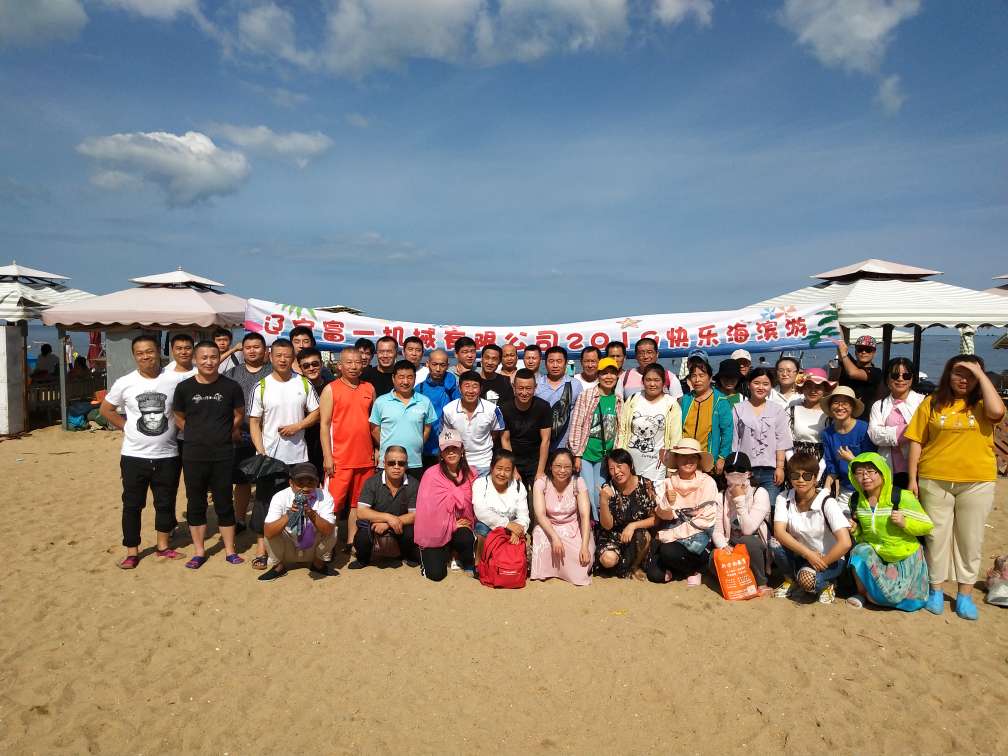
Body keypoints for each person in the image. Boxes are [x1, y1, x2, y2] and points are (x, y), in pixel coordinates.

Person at [905, 354, 1005, 620]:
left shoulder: (983, 403)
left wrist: (980, 374)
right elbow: (916, 440)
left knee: (970, 540)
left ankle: (964, 595)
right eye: (959, 373)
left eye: (971, 375)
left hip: (977, 481)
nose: (964, 379)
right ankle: (936, 590)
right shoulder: (932, 402)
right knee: (936, 538)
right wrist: (913, 478)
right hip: (934, 479)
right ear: (948, 375)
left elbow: (998, 412)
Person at [101, 334, 185, 568]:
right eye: (140, 353)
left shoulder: (174, 380)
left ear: (158, 352)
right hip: (134, 456)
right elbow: (106, 409)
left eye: (149, 351)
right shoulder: (125, 382)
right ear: (134, 356)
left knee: (165, 503)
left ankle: (163, 546)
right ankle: (132, 551)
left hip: (167, 455)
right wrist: (126, 427)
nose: (145, 356)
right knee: (132, 505)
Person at [248, 338, 321, 570]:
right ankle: (261, 549)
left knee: (300, 502)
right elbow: (254, 422)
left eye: (287, 356)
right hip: (270, 458)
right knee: (265, 503)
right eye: (278, 355)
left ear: (293, 358)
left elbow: (316, 412)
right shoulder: (261, 386)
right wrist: (261, 452)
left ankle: (298, 546)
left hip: (299, 457)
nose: (282, 360)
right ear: (270, 357)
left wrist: (297, 426)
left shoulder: (303, 383)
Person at [172, 341, 246, 569]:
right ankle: (199, 551)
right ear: (195, 359)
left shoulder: (231, 386)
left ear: (218, 359)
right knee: (196, 502)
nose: (209, 361)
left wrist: (224, 432)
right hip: (193, 453)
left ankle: (230, 550)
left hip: (223, 453)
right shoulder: (184, 387)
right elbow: (178, 417)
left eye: (213, 357)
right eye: (203, 357)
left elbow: (239, 414)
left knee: (224, 501)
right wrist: (195, 434)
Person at [846, 453, 934, 611]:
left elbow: (927, 525)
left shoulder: (901, 497)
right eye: (859, 473)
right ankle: (862, 594)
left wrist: (905, 523)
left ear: (882, 472)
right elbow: (865, 535)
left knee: (898, 598)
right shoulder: (856, 501)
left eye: (870, 471)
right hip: (878, 554)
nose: (865, 477)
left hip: (904, 555)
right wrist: (856, 530)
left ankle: (876, 597)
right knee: (858, 551)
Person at [771, 451, 852, 604]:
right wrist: (808, 554)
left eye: (807, 476)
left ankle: (828, 584)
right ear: (790, 478)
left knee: (807, 581)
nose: (801, 480)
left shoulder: (827, 502)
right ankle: (791, 580)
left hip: (829, 558)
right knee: (775, 542)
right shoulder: (784, 497)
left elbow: (845, 543)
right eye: (795, 476)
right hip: (803, 554)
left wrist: (820, 562)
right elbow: (779, 532)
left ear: (815, 478)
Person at [319, 347, 376, 552]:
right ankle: (328, 544)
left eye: (357, 362)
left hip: (365, 458)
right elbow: (324, 425)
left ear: (363, 365)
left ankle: (352, 541)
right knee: (331, 505)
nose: (353, 366)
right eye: (348, 362)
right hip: (339, 458)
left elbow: (374, 423)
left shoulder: (369, 388)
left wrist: (377, 448)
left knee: (358, 504)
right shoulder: (330, 389)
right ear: (339, 366)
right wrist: (327, 456)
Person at [648, 439, 718, 585]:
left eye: (693, 457)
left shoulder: (708, 483)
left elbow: (705, 521)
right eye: (683, 456)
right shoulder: (667, 482)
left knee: (667, 551)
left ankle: (694, 570)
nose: (688, 461)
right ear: (676, 459)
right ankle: (679, 570)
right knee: (654, 575)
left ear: (698, 460)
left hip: (696, 541)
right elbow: (663, 515)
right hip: (670, 536)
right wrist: (667, 502)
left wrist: (670, 535)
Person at [222, 333, 272, 532]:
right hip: (240, 435)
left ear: (265, 350)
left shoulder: (274, 371)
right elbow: (225, 404)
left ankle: (268, 520)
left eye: (256, 347)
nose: (252, 351)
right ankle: (240, 519)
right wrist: (232, 428)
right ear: (242, 350)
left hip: (268, 434)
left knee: (267, 480)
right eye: (248, 347)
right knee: (242, 480)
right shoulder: (232, 373)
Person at [414, 428, 477, 580]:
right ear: (441, 454)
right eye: (446, 449)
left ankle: (457, 552)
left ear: (462, 450)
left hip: (462, 526)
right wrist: (452, 524)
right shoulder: (431, 475)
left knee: (465, 538)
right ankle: (444, 552)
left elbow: (477, 504)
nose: (451, 452)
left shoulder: (471, 474)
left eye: (455, 448)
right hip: (436, 530)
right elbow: (427, 513)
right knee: (436, 575)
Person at [259, 463, 338, 580]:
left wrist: (310, 512)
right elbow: (268, 532)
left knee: (333, 529)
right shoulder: (280, 497)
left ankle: (318, 563)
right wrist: (289, 514)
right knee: (271, 528)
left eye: (310, 483)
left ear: (317, 482)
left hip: (312, 548)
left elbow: (328, 531)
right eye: (300, 483)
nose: (305, 488)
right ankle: (278, 566)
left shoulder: (325, 496)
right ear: (291, 483)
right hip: (288, 547)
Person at [568, 357, 622, 520]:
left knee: (600, 493)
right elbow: (576, 424)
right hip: (586, 453)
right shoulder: (587, 396)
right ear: (598, 375)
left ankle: (600, 525)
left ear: (617, 375)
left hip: (605, 455)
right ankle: (590, 524)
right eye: (604, 373)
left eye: (612, 373)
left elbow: (620, 429)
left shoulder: (619, 399)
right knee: (587, 491)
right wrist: (576, 454)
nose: (608, 377)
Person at [530, 449, 594, 585]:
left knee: (582, 560)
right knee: (539, 533)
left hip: (572, 527)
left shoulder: (578, 482)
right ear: (550, 466)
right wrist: (555, 538)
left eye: (567, 467)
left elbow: (585, 516)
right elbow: (540, 515)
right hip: (549, 527)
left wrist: (584, 546)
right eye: (558, 466)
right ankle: (547, 571)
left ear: (573, 467)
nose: (562, 470)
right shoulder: (541, 483)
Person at [711, 452, 772, 595]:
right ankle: (741, 578)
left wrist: (739, 499)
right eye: (730, 469)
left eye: (740, 469)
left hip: (756, 548)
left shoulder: (760, 493)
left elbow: (748, 529)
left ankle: (761, 583)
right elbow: (717, 530)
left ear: (749, 473)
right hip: (731, 546)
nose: (735, 473)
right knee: (713, 557)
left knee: (747, 540)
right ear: (725, 473)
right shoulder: (721, 496)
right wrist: (723, 546)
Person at [349, 446, 419, 569]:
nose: (396, 467)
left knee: (412, 531)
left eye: (401, 463)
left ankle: (406, 556)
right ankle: (363, 559)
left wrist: (390, 523)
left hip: (399, 526)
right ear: (384, 464)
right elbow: (361, 512)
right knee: (362, 534)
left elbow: (415, 515)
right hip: (376, 526)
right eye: (391, 463)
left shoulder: (414, 484)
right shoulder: (371, 482)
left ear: (406, 465)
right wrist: (388, 518)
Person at [732, 367, 792, 506]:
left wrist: (780, 468)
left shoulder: (777, 410)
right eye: (756, 383)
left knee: (769, 508)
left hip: (770, 473)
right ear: (749, 384)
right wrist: (735, 470)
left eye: (766, 384)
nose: (761, 387)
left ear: (771, 387)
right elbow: (735, 441)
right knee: (744, 507)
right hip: (744, 471)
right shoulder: (737, 409)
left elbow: (781, 441)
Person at [596, 449, 657, 578]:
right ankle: (622, 566)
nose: (616, 472)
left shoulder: (645, 484)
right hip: (613, 535)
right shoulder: (608, 488)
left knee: (643, 535)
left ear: (630, 465)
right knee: (608, 560)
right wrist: (603, 500)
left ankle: (634, 566)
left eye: (620, 466)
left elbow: (655, 519)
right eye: (611, 469)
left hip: (637, 536)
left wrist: (633, 526)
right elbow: (607, 526)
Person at [369, 360, 437, 476]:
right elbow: (375, 429)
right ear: (393, 378)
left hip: (414, 462)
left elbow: (427, 428)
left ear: (415, 378)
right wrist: (387, 445)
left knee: (414, 488)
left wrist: (418, 443)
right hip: (388, 462)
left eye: (410, 377)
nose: (405, 382)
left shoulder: (424, 401)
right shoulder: (381, 402)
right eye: (401, 377)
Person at [618, 363, 683, 483]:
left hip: (657, 465)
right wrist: (620, 459)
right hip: (630, 462)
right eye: (648, 380)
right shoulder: (633, 399)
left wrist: (672, 467)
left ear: (663, 382)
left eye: (656, 380)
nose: (652, 384)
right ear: (643, 381)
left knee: (654, 493)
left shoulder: (671, 404)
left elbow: (675, 437)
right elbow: (622, 430)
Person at [867, 357, 924, 489]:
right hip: (889, 469)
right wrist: (909, 430)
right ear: (887, 379)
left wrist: (888, 433)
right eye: (895, 375)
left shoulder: (923, 402)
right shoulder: (879, 405)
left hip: (919, 470)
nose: (900, 379)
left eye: (906, 375)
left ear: (912, 379)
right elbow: (874, 435)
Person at [821, 385, 876, 511]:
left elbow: (873, 464)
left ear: (852, 407)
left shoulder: (864, 429)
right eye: (836, 402)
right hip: (845, 490)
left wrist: (852, 459)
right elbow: (832, 466)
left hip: (868, 489)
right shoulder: (827, 434)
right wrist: (826, 488)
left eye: (845, 403)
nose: (840, 407)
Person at [441, 371, 505, 476]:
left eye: (475, 386)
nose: (471, 391)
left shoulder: (492, 409)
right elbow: (448, 436)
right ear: (459, 388)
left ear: (481, 389)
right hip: (459, 464)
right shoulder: (448, 410)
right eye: (467, 386)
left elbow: (495, 433)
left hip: (485, 463)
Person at [499, 368, 552, 489]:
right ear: (514, 387)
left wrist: (540, 471)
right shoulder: (504, 408)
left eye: (528, 388)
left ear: (535, 388)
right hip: (513, 458)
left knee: (539, 491)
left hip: (536, 460)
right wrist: (513, 470)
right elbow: (505, 440)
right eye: (520, 388)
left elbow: (546, 440)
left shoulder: (543, 407)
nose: (524, 392)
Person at [679, 358, 733, 477]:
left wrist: (722, 457)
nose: (697, 380)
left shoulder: (720, 400)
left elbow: (727, 432)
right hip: (685, 459)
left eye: (701, 375)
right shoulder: (685, 400)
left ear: (710, 378)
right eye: (693, 376)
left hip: (709, 461)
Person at [472, 451, 529, 553]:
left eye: (507, 470)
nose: (502, 474)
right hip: (488, 527)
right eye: (499, 468)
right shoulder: (480, 484)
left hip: (511, 530)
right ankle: (480, 562)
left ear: (512, 471)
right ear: (491, 468)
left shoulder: (519, 487)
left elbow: (524, 516)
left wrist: (517, 530)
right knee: (482, 528)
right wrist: (507, 524)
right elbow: (481, 511)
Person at [414, 349, 459, 469]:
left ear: (447, 366)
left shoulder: (452, 386)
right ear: (427, 364)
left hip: (448, 445)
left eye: (442, 365)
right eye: (434, 364)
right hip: (425, 445)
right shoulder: (419, 389)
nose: (438, 369)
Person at [786, 367, 833, 476]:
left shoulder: (831, 415)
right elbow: (786, 442)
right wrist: (793, 466)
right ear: (802, 388)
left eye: (818, 387)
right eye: (808, 386)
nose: (813, 391)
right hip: (794, 461)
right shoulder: (791, 410)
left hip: (822, 463)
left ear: (825, 389)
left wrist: (820, 470)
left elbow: (831, 446)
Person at [535, 346, 583, 451]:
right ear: (545, 364)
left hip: (567, 445)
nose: (555, 365)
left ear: (565, 363)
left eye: (559, 361)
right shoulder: (537, 385)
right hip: (541, 444)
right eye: (551, 361)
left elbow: (580, 416)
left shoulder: (575, 384)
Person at [296, 346, 330, 474]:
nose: (311, 368)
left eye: (315, 364)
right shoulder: (295, 387)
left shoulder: (332, 386)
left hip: (327, 440)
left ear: (321, 364)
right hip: (302, 440)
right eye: (306, 366)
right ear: (300, 368)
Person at [619, 337, 682, 403]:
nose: (645, 356)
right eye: (641, 353)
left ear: (657, 354)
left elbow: (678, 404)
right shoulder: (625, 377)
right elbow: (618, 404)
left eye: (649, 352)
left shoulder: (669, 377)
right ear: (636, 356)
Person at [835, 335, 883, 421]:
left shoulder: (876, 372)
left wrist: (844, 355)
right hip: (842, 416)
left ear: (874, 352)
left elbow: (853, 373)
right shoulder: (848, 363)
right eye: (860, 349)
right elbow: (840, 345)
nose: (863, 352)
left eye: (868, 350)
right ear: (855, 351)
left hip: (863, 419)